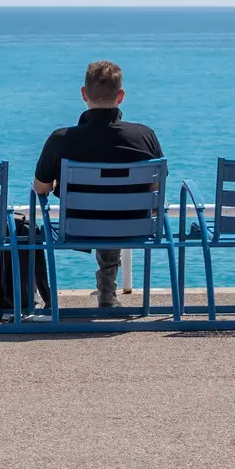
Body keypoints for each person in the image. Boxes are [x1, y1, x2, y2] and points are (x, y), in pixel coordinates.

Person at [26, 60, 162, 312]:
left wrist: (56, 182)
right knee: (114, 209)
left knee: (100, 210)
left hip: (78, 225)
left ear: (83, 94)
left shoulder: (60, 139)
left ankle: (48, 300)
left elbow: (40, 188)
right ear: (120, 96)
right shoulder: (145, 136)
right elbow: (156, 185)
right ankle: (107, 293)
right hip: (133, 225)